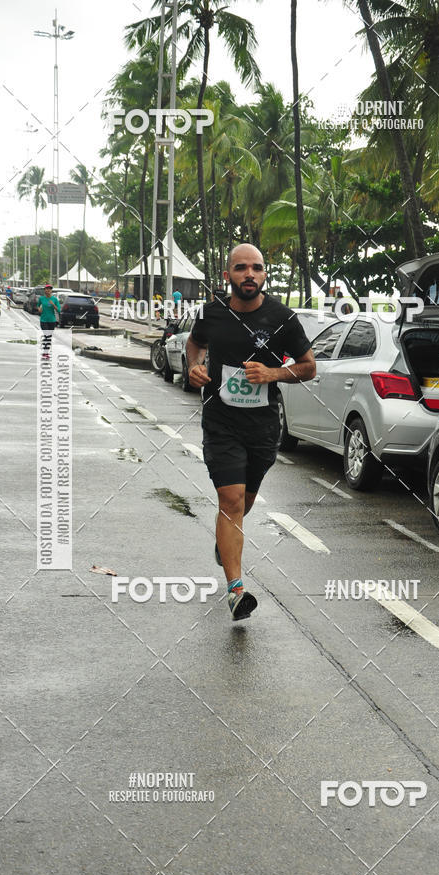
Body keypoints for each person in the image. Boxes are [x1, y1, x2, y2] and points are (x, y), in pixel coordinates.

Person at [186, 243, 316, 620]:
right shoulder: (211, 313)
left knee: (244, 504)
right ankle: (236, 590)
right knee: (231, 501)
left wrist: (273, 373)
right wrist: (194, 365)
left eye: (256, 268)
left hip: (262, 427)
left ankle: (224, 546)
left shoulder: (283, 318)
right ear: (228, 275)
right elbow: (195, 344)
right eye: (241, 268)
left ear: (264, 275)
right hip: (221, 422)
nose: (249, 275)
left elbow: (309, 367)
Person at [37, 285, 61, 358]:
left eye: (49, 289)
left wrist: (53, 305)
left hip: (52, 320)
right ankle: (45, 352)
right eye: (46, 289)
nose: (47, 290)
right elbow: (38, 306)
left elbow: (59, 310)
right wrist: (39, 309)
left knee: (48, 336)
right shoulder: (41, 298)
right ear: (44, 290)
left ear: (51, 291)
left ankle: (45, 352)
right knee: (47, 335)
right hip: (43, 320)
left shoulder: (54, 299)